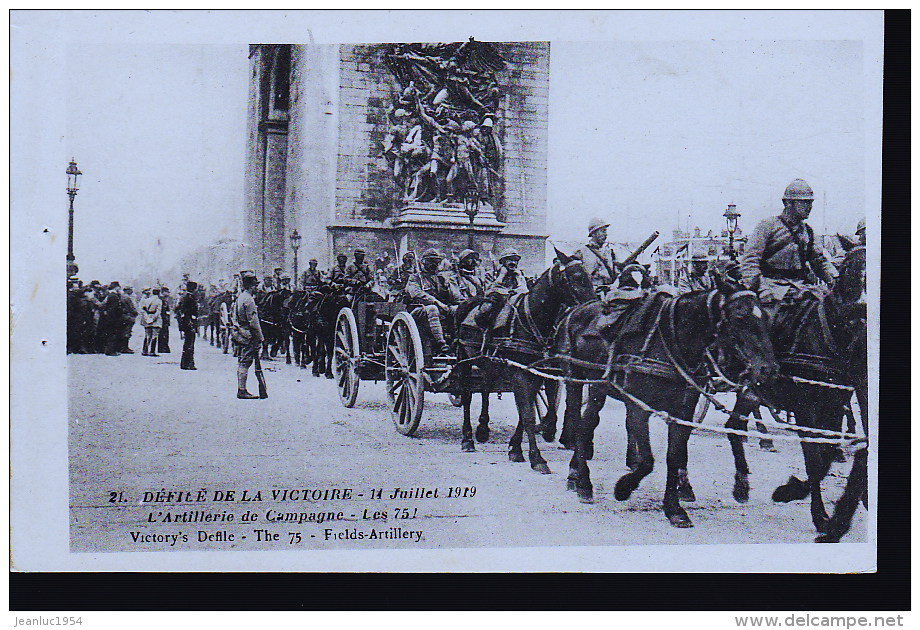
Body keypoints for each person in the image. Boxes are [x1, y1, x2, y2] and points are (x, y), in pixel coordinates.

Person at [740, 178, 837, 320]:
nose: (809, 206)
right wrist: (762, 289)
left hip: (801, 288)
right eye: (804, 202)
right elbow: (749, 263)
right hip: (771, 288)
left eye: (810, 202)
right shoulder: (768, 226)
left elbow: (820, 262)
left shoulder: (808, 232)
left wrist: (835, 279)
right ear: (788, 203)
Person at [405, 248, 452, 355]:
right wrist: (436, 302)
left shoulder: (440, 279)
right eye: (432, 262)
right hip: (417, 311)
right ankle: (441, 344)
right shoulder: (415, 277)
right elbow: (416, 293)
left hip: (440, 310)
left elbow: (448, 296)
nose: (434, 265)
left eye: (436, 262)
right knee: (432, 309)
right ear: (425, 262)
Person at [232, 271, 265, 399]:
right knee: (245, 362)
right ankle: (242, 390)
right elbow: (254, 322)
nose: (256, 288)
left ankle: (241, 388)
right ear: (251, 286)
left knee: (242, 361)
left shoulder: (240, 297)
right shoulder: (249, 300)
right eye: (255, 286)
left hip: (241, 333)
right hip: (248, 335)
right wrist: (261, 337)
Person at [475, 248, 525, 330]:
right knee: (486, 309)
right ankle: (484, 331)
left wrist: (518, 279)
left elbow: (524, 290)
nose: (513, 263)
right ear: (503, 262)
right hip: (497, 301)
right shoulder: (491, 274)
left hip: (515, 301)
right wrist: (501, 276)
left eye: (515, 260)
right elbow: (488, 291)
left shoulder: (519, 275)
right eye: (510, 260)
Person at [574, 217, 619, 294]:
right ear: (593, 233)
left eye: (606, 231)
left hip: (609, 294)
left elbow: (618, 274)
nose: (605, 234)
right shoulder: (581, 252)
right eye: (603, 231)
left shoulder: (611, 253)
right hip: (590, 295)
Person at [176, 280, 199, 370]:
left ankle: (185, 363)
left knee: (187, 344)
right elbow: (189, 312)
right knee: (189, 344)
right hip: (189, 323)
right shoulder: (190, 298)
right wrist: (192, 323)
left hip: (187, 322)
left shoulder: (186, 297)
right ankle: (188, 363)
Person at [140, 288, 162, 356]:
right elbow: (158, 311)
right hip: (155, 319)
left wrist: (147, 318)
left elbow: (143, 310)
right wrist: (153, 318)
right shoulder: (159, 301)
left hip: (147, 317)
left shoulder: (146, 300)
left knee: (147, 334)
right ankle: (152, 351)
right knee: (154, 335)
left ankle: (145, 350)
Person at [158, 287, 172, 353]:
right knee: (163, 333)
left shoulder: (165, 300)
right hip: (163, 319)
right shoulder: (162, 300)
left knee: (165, 333)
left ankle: (164, 347)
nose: (168, 293)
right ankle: (162, 348)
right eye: (167, 292)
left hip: (165, 319)